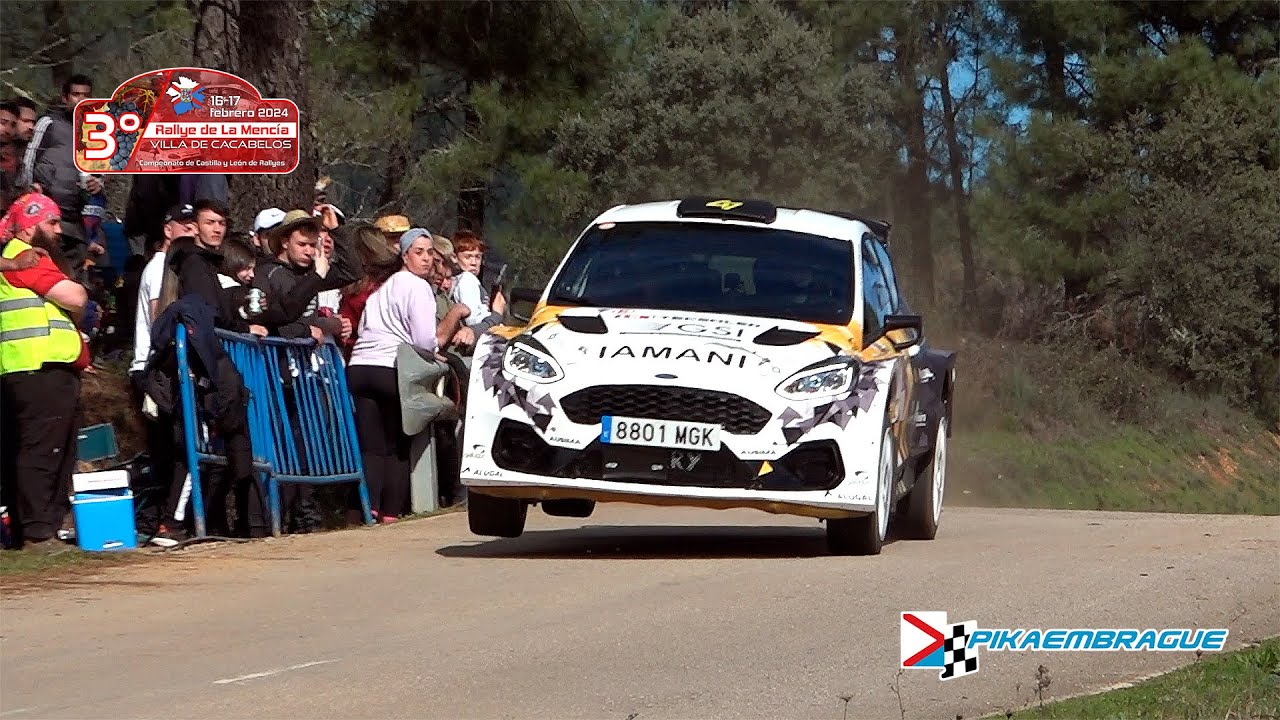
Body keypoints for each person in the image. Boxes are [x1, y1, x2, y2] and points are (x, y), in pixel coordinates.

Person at [347, 228, 469, 522]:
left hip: (360, 367)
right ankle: (390, 511)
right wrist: (455, 315)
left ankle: (366, 509)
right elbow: (427, 342)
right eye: (419, 252)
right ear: (404, 256)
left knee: (371, 446)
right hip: (391, 368)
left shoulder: (382, 289)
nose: (426, 259)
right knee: (398, 444)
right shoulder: (416, 287)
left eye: (429, 253)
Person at [0, 193, 88, 551]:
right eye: (51, 222)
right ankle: (39, 531)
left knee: (53, 451)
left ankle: (40, 528)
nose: (58, 229)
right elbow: (75, 298)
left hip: (35, 365)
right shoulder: (28, 257)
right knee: (43, 451)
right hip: (38, 366)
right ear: (31, 225)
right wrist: (80, 294)